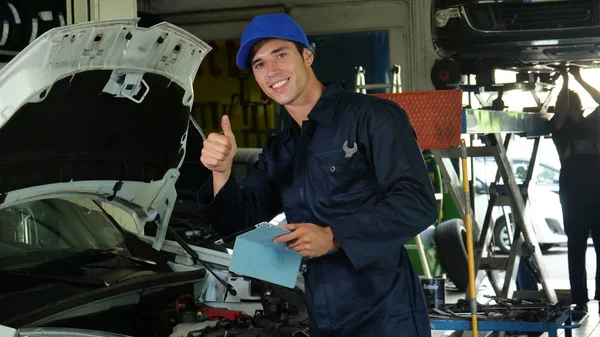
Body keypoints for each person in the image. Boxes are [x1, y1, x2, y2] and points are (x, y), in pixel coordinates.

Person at [197, 13, 439, 336]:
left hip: (386, 316)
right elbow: (237, 222)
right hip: (322, 317)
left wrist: (334, 236)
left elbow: (418, 203)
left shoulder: (373, 118)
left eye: (280, 54)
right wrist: (221, 172)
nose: (271, 71)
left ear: (307, 56)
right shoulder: (280, 149)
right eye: (259, 64)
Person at [551, 66, 600, 318]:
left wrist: (579, 78)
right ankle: (579, 300)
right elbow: (559, 113)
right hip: (573, 197)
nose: (562, 106)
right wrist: (565, 79)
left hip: (597, 194)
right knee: (576, 248)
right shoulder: (559, 128)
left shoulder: (594, 123)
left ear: (578, 106)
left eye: (566, 102)